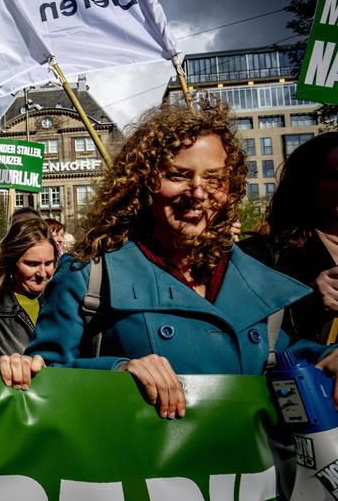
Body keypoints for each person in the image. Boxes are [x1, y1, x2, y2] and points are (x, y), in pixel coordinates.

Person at [22, 100, 338, 418]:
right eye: (179, 175)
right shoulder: (89, 273)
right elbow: (43, 378)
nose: (198, 192)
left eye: (214, 178)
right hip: (134, 462)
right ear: (143, 183)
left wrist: (328, 356)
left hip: (241, 464)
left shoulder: (253, 277)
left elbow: (274, 356)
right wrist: (116, 371)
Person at [240, 132, 338, 344]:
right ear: (307, 183)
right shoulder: (260, 255)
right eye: (336, 174)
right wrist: (308, 300)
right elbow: (241, 331)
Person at [0, 217, 58, 363]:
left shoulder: (64, 305)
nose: (42, 273)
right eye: (32, 264)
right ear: (12, 263)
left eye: (48, 263)